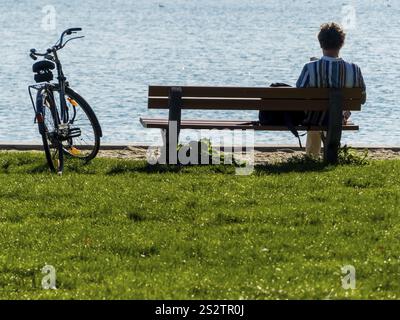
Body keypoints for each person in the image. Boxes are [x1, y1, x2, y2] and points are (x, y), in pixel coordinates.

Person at [296, 22, 367, 157]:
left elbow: (299, 96)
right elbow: (362, 99)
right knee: (334, 112)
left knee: (313, 111)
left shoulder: (310, 68)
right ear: (341, 43)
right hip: (338, 118)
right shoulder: (354, 69)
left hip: (313, 119)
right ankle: (331, 154)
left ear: (320, 43)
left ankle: (312, 157)